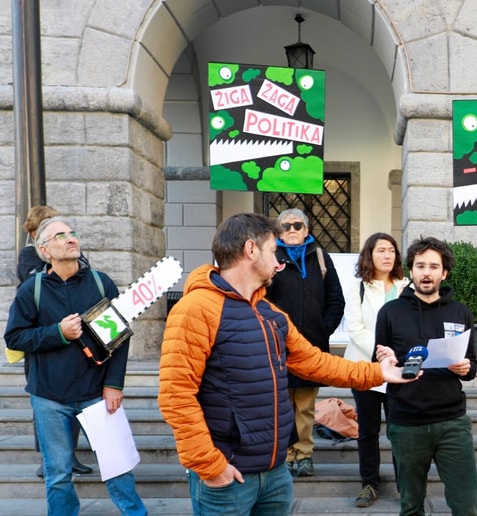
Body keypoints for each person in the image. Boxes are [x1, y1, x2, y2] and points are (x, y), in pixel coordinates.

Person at [157, 212, 418, 516]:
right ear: (250, 250)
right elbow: (176, 396)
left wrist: (377, 372)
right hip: (227, 477)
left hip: (275, 475)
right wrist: (210, 465)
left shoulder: (270, 313)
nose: (278, 260)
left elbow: (316, 363)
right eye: (272, 251)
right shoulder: (195, 309)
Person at [4, 217, 147, 516]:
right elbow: (15, 338)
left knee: (119, 468)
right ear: (45, 250)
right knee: (57, 475)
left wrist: (114, 384)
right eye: (60, 235)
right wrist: (58, 332)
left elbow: (119, 340)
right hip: (49, 397)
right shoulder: (32, 289)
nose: (70, 238)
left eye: (72, 233)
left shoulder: (100, 283)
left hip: (96, 392)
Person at [374, 236, 477, 515]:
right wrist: (387, 361)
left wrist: (466, 368)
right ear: (411, 270)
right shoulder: (390, 312)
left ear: (444, 273)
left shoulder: (460, 313)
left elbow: (472, 366)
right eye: (420, 266)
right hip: (407, 423)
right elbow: (379, 365)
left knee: (466, 504)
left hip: (452, 422)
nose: (426, 272)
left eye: (434, 266)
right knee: (410, 505)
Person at [265, 208, 345, 477]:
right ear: (279, 232)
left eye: (297, 226)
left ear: (306, 231)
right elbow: (260, 298)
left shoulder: (320, 258)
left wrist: (323, 330)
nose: (291, 230)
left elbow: (336, 300)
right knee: (283, 405)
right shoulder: (271, 258)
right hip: (279, 346)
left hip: (311, 347)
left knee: (306, 406)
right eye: (285, 226)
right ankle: (287, 455)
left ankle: (305, 454)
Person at [15, 205, 94, 478]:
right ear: (40, 234)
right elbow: (35, 281)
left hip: (75, 344)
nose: (66, 236)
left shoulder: (80, 260)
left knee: (72, 401)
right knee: (46, 402)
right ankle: (48, 458)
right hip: (43, 346)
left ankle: (69, 455)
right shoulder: (28, 257)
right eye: (55, 229)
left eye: (68, 232)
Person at [343, 232, 410, 508]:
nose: (387, 255)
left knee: (399, 429)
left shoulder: (407, 286)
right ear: (370, 254)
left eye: (391, 250)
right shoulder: (358, 287)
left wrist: (395, 355)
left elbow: (411, 326)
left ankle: (405, 484)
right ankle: (369, 483)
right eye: (381, 250)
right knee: (368, 430)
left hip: (399, 369)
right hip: (365, 369)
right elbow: (355, 328)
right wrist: (382, 351)